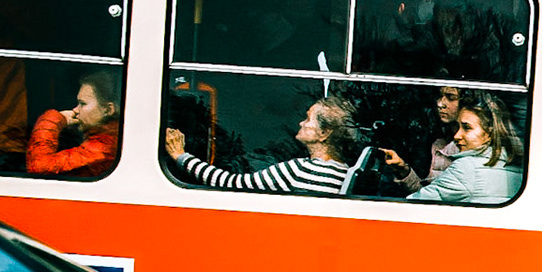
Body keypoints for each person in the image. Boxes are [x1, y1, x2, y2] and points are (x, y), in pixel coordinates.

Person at [165, 96, 358, 196]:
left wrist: (180, 155)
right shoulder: (342, 171)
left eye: (308, 119)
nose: (301, 123)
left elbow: (232, 184)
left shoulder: (301, 170)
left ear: (324, 133)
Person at [408, 91, 523, 205]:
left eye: (467, 128)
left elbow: (413, 206)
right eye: (458, 127)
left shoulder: (465, 168)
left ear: (489, 133)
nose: (456, 136)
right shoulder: (517, 167)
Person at [26, 69, 122, 178]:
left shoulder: (104, 148)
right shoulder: (106, 139)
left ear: (108, 110)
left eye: (83, 104)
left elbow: (39, 167)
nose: (75, 110)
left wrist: (52, 120)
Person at [380, 85, 460, 193]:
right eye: (440, 96)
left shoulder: (470, 149)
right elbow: (426, 196)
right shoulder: (439, 142)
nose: (440, 104)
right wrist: (403, 170)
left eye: (451, 98)